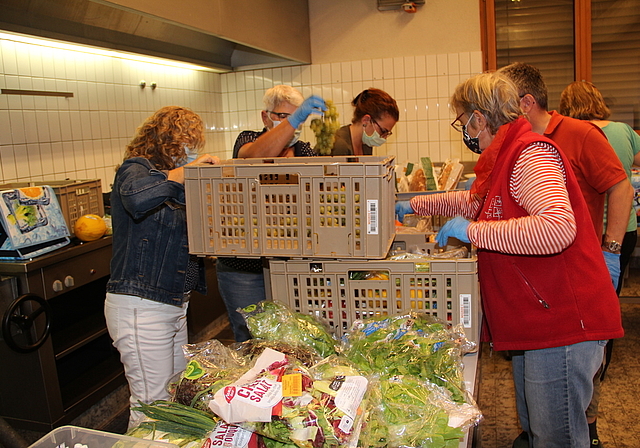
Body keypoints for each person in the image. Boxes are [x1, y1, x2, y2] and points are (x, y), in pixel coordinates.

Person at [395, 71, 623, 448]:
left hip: (564, 321)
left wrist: (473, 232)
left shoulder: (530, 153)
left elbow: (556, 228)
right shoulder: (504, 155)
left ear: (479, 118)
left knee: (556, 438)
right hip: (539, 319)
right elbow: (474, 202)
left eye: (462, 119)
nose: (463, 129)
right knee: (537, 429)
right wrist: (413, 205)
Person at [499, 63, 634, 448]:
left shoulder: (578, 134)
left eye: (503, 103)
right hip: (540, 288)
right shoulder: (518, 144)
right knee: (537, 403)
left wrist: (610, 251)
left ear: (525, 103)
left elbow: (620, 189)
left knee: (570, 394)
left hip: (576, 281)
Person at [105, 106, 220, 427]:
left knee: (173, 395)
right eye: (188, 141)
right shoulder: (135, 169)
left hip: (172, 304)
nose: (191, 150)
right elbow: (137, 197)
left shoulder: (176, 180)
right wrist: (187, 172)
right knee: (150, 404)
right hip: (142, 307)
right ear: (167, 140)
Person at [559, 80, 640, 447]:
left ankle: (586, 418)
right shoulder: (624, 131)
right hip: (623, 233)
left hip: (594, 237)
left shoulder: (574, 136)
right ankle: (590, 407)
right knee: (603, 322)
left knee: (587, 329)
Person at [216, 85, 326, 342]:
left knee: (293, 339)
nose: (291, 124)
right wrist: (294, 120)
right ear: (265, 117)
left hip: (291, 265)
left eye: (297, 116)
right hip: (244, 267)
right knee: (252, 338)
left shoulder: (304, 151)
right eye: (282, 116)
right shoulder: (248, 139)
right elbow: (253, 158)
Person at [559, 80, 640, 293]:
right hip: (624, 231)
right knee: (612, 294)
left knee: (586, 296)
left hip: (585, 233)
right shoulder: (623, 131)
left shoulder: (569, 136)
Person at [328, 88, 399, 156]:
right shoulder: (338, 145)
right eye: (383, 131)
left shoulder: (366, 144)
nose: (384, 138)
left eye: (387, 133)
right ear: (366, 120)